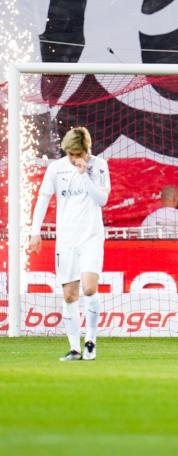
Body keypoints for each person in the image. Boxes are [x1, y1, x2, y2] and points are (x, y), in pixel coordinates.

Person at [29, 127, 110, 361]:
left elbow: (102, 200)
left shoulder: (99, 166)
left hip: (91, 237)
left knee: (89, 288)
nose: (75, 158)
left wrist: (85, 174)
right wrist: (35, 232)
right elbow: (44, 199)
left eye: (79, 153)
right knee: (69, 295)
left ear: (87, 150)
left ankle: (91, 342)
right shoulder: (56, 169)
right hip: (66, 240)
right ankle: (75, 348)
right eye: (71, 154)